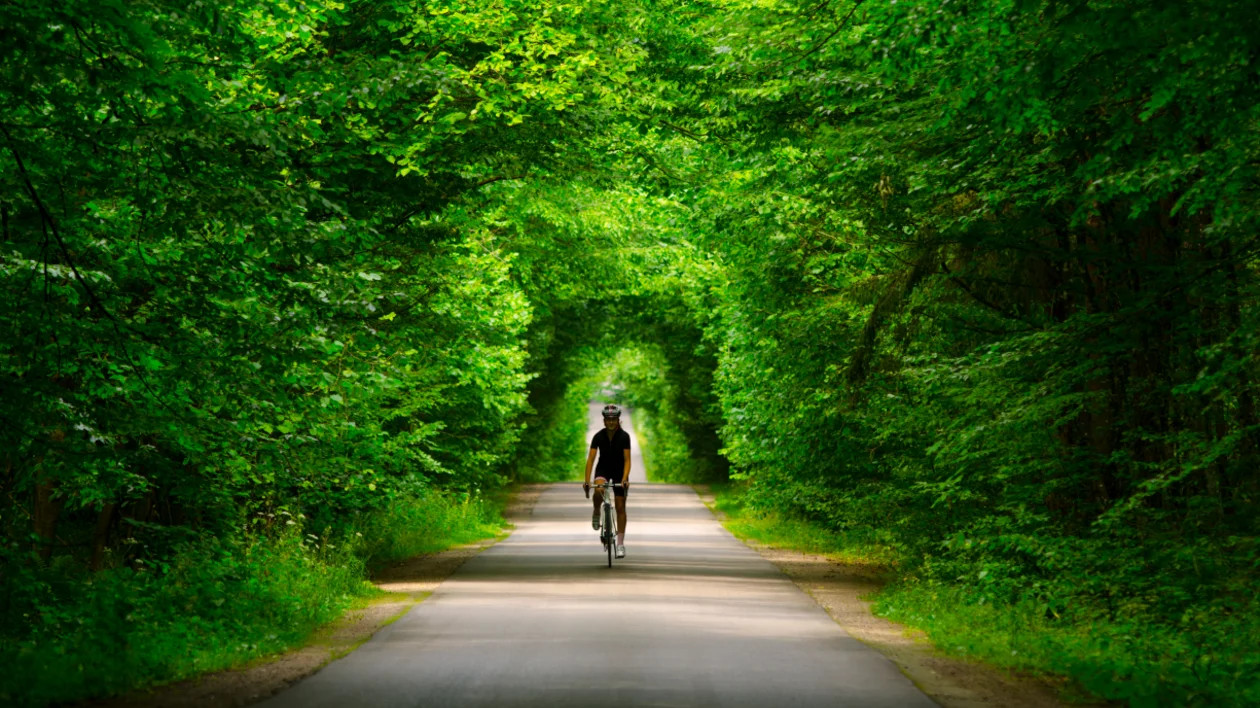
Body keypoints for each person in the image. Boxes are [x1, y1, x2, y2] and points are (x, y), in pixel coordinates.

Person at [584, 404, 630, 558]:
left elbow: (627, 460)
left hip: (619, 472)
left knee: (620, 507)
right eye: (608, 419)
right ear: (604, 421)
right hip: (603, 469)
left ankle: (620, 544)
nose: (611, 422)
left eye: (614, 419)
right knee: (599, 489)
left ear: (618, 420)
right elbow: (591, 460)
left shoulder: (624, 437)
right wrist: (586, 481)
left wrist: (624, 479)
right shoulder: (598, 436)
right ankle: (597, 511)